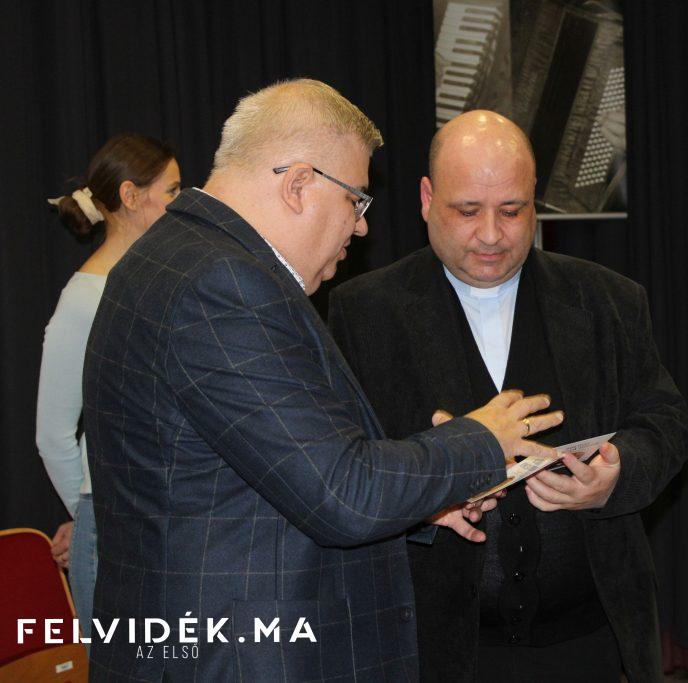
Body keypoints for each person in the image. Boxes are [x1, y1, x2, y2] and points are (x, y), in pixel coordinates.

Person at [82, 80, 562, 682]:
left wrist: (421, 505)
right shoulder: (224, 285)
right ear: (299, 184)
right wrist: (482, 438)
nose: (360, 228)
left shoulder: (171, 255)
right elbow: (343, 494)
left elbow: (267, 479)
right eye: (356, 201)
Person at [330, 110, 688, 682]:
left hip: (590, 642)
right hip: (435, 648)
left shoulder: (608, 300)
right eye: (468, 211)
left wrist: (618, 473)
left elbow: (665, 421)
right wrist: (425, 499)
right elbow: (344, 465)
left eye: (513, 210)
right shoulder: (363, 313)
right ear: (426, 199)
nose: (492, 234)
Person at [39, 133, 180, 644]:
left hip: (164, 522)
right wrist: (92, 515)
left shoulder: (159, 285)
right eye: (172, 191)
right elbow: (53, 433)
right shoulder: (84, 300)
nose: (181, 204)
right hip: (118, 529)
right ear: (130, 196)